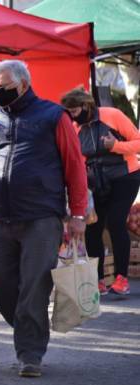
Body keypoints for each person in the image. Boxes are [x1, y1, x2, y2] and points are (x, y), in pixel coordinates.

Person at [0, 60, 88, 378]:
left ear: (24, 85)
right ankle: (30, 326)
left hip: (42, 217)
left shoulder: (53, 117)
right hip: (0, 218)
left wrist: (78, 213)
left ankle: (30, 354)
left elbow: (74, 165)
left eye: (4, 89)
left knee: (34, 284)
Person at [61, 88, 140, 296]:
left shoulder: (112, 115)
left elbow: (138, 143)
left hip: (126, 177)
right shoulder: (75, 128)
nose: (72, 116)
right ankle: (98, 281)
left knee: (115, 222)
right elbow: (78, 158)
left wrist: (116, 146)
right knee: (93, 228)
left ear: (86, 106)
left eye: (75, 111)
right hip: (97, 182)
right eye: (68, 112)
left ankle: (122, 278)